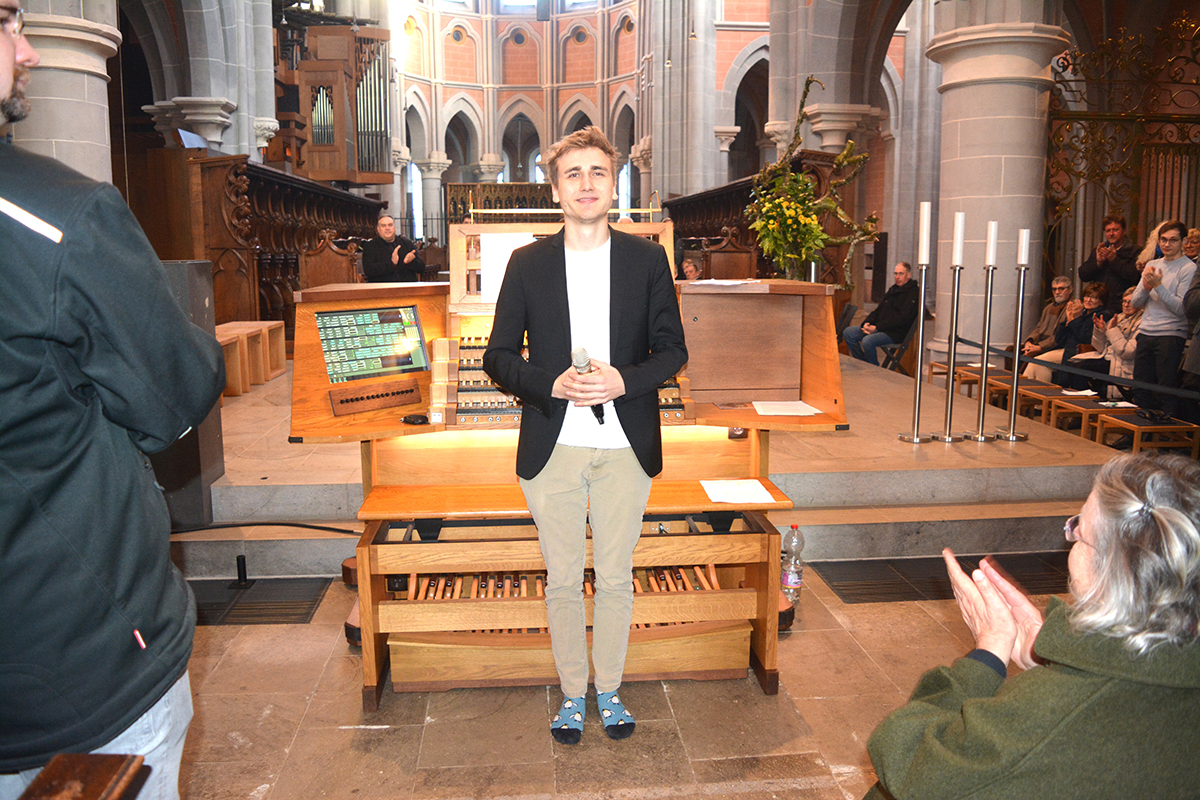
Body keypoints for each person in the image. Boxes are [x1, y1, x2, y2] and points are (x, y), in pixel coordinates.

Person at [0, 6, 226, 798]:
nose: (27, 49)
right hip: (69, 650)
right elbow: (173, 397)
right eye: (5, 23)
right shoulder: (56, 213)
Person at [482, 127, 687, 745]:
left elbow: (673, 351)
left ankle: (612, 689)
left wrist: (623, 381)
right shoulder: (527, 263)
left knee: (619, 574)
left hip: (626, 445)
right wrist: (552, 385)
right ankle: (574, 693)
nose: (587, 184)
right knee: (564, 577)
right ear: (556, 188)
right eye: (573, 174)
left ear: (613, 182)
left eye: (598, 172)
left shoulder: (648, 260)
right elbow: (496, 356)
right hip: (554, 444)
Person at [864, 452, 1200, 800]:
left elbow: (908, 763)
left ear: (1112, 568)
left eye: (1078, 530)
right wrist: (1055, 654)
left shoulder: (1051, 712)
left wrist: (987, 655)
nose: (1070, 540)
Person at [1129, 219, 1196, 418]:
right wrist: (1147, 287)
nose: (1167, 245)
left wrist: (1158, 286)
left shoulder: (1188, 268)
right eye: (1163, 240)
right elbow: (1134, 302)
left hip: (1170, 335)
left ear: (1183, 242)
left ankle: (1165, 433)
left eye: (1173, 240)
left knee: (1165, 387)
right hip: (1146, 331)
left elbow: (1181, 308)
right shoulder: (1152, 264)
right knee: (1140, 385)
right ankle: (1140, 432)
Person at [843, 262, 920, 366]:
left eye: (901, 274)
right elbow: (878, 310)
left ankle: (873, 367)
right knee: (849, 333)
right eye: (895, 273)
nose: (897, 277)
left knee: (868, 341)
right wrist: (867, 323)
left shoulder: (913, 293)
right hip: (880, 327)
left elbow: (901, 319)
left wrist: (877, 328)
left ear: (909, 275)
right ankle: (864, 363)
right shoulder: (893, 289)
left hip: (895, 332)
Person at [1053, 282, 1112, 389]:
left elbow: (1086, 338)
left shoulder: (1102, 316)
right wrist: (1068, 320)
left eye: (1094, 298)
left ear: (1102, 301)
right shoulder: (1083, 313)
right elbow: (1059, 339)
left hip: (1085, 356)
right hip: (1069, 352)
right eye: (1087, 296)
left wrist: (1073, 320)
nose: (1088, 300)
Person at [1078, 213, 1139, 315]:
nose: (1111, 234)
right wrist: (1098, 263)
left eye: (1115, 230)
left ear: (1124, 231)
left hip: (1121, 307)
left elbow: (1134, 276)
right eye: (1108, 231)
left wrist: (1114, 260)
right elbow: (1083, 275)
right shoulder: (1099, 250)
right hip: (1098, 305)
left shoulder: (1135, 251)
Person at [1091, 286, 1143, 400]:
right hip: (1109, 358)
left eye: (1131, 302)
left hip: (1124, 363)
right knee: (1076, 366)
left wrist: (1112, 330)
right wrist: (1100, 330)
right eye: (1124, 301)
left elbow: (1127, 351)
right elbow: (1099, 348)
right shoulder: (1118, 317)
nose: (1126, 305)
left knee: (1084, 368)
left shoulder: (1143, 322)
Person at [1020, 276, 1072, 382]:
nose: (1057, 292)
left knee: (1037, 361)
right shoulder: (1049, 307)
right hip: (1041, 343)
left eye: (1061, 289)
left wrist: (1039, 347)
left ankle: (1030, 394)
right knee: (1013, 351)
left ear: (1070, 290)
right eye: (1054, 289)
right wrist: (1029, 341)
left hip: (1056, 346)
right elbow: (1038, 328)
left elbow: (1060, 336)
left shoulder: (1072, 308)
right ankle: (1021, 393)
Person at [360, 214, 426, 282]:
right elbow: (369, 271)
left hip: (407, 288)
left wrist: (410, 263)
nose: (387, 228)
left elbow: (421, 268)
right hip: (383, 289)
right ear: (378, 229)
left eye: (390, 225)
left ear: (394, 227)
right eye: (383, 226)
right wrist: (392, 264)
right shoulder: (370, 246)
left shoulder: (406, 243)